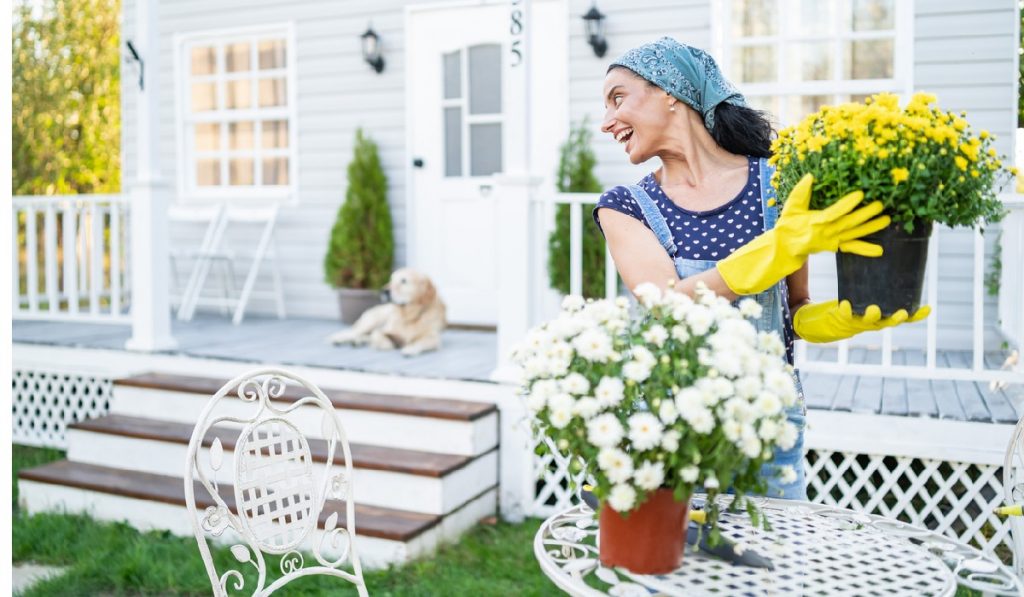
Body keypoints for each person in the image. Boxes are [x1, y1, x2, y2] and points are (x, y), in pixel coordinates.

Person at [593, 37, 929, 500]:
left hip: (770, 430)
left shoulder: (776, 181)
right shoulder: (627, 206)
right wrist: (774, 251)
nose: (606, 121)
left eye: (617, 98)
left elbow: (794, 309)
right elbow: (663, 303)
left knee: (776, 569)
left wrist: (841, 319)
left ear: (669, 91)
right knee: (678, 569)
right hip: (672, 434)